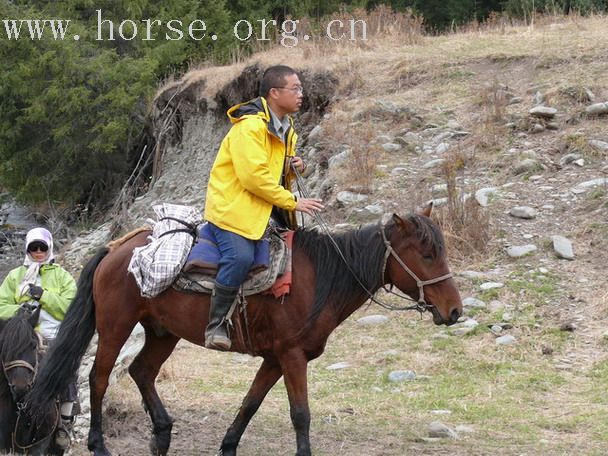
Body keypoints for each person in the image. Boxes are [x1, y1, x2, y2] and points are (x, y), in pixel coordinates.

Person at [203, 65, 324, 351]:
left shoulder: (285, 127)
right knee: (240, 258)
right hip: (234, 210)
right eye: (295, 89)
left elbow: (274, 170)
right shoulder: (250, 128)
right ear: (274, 93)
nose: (301, 94)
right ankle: (216, 324)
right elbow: (252, 177)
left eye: (301, 89)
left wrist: (296, 167)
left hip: (266, 209)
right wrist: (292, 201)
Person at [0, 227, 77, 450]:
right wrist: (19, 311)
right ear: (27, 249)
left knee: (67, 369)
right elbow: (1, 305)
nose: (38, 251)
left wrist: (42, 296)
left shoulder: (62, 276)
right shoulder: (15, 276)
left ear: (49, 247)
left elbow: (71, 308)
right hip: (20, 337)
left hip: (51, 336)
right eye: (33, 247)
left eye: (42, 247)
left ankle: (63, 422)